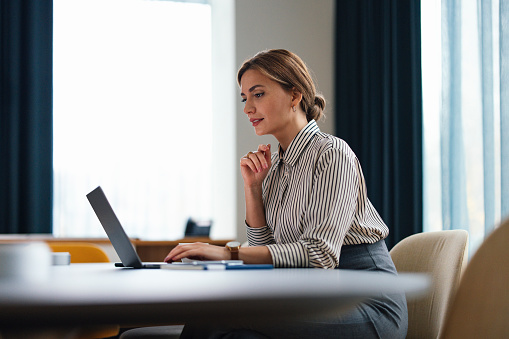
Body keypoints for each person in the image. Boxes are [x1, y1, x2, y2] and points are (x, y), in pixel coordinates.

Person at [165, 49, 408, 338]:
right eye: (244, 98)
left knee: (216, 315)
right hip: (315, 298)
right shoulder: (277, 165)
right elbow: (267, 254)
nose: (247, 109)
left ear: (295, 96)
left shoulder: (332, 154)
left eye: (258, 95)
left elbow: (320, 255)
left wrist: (226, 253)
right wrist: (253, 188)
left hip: (365, 305)